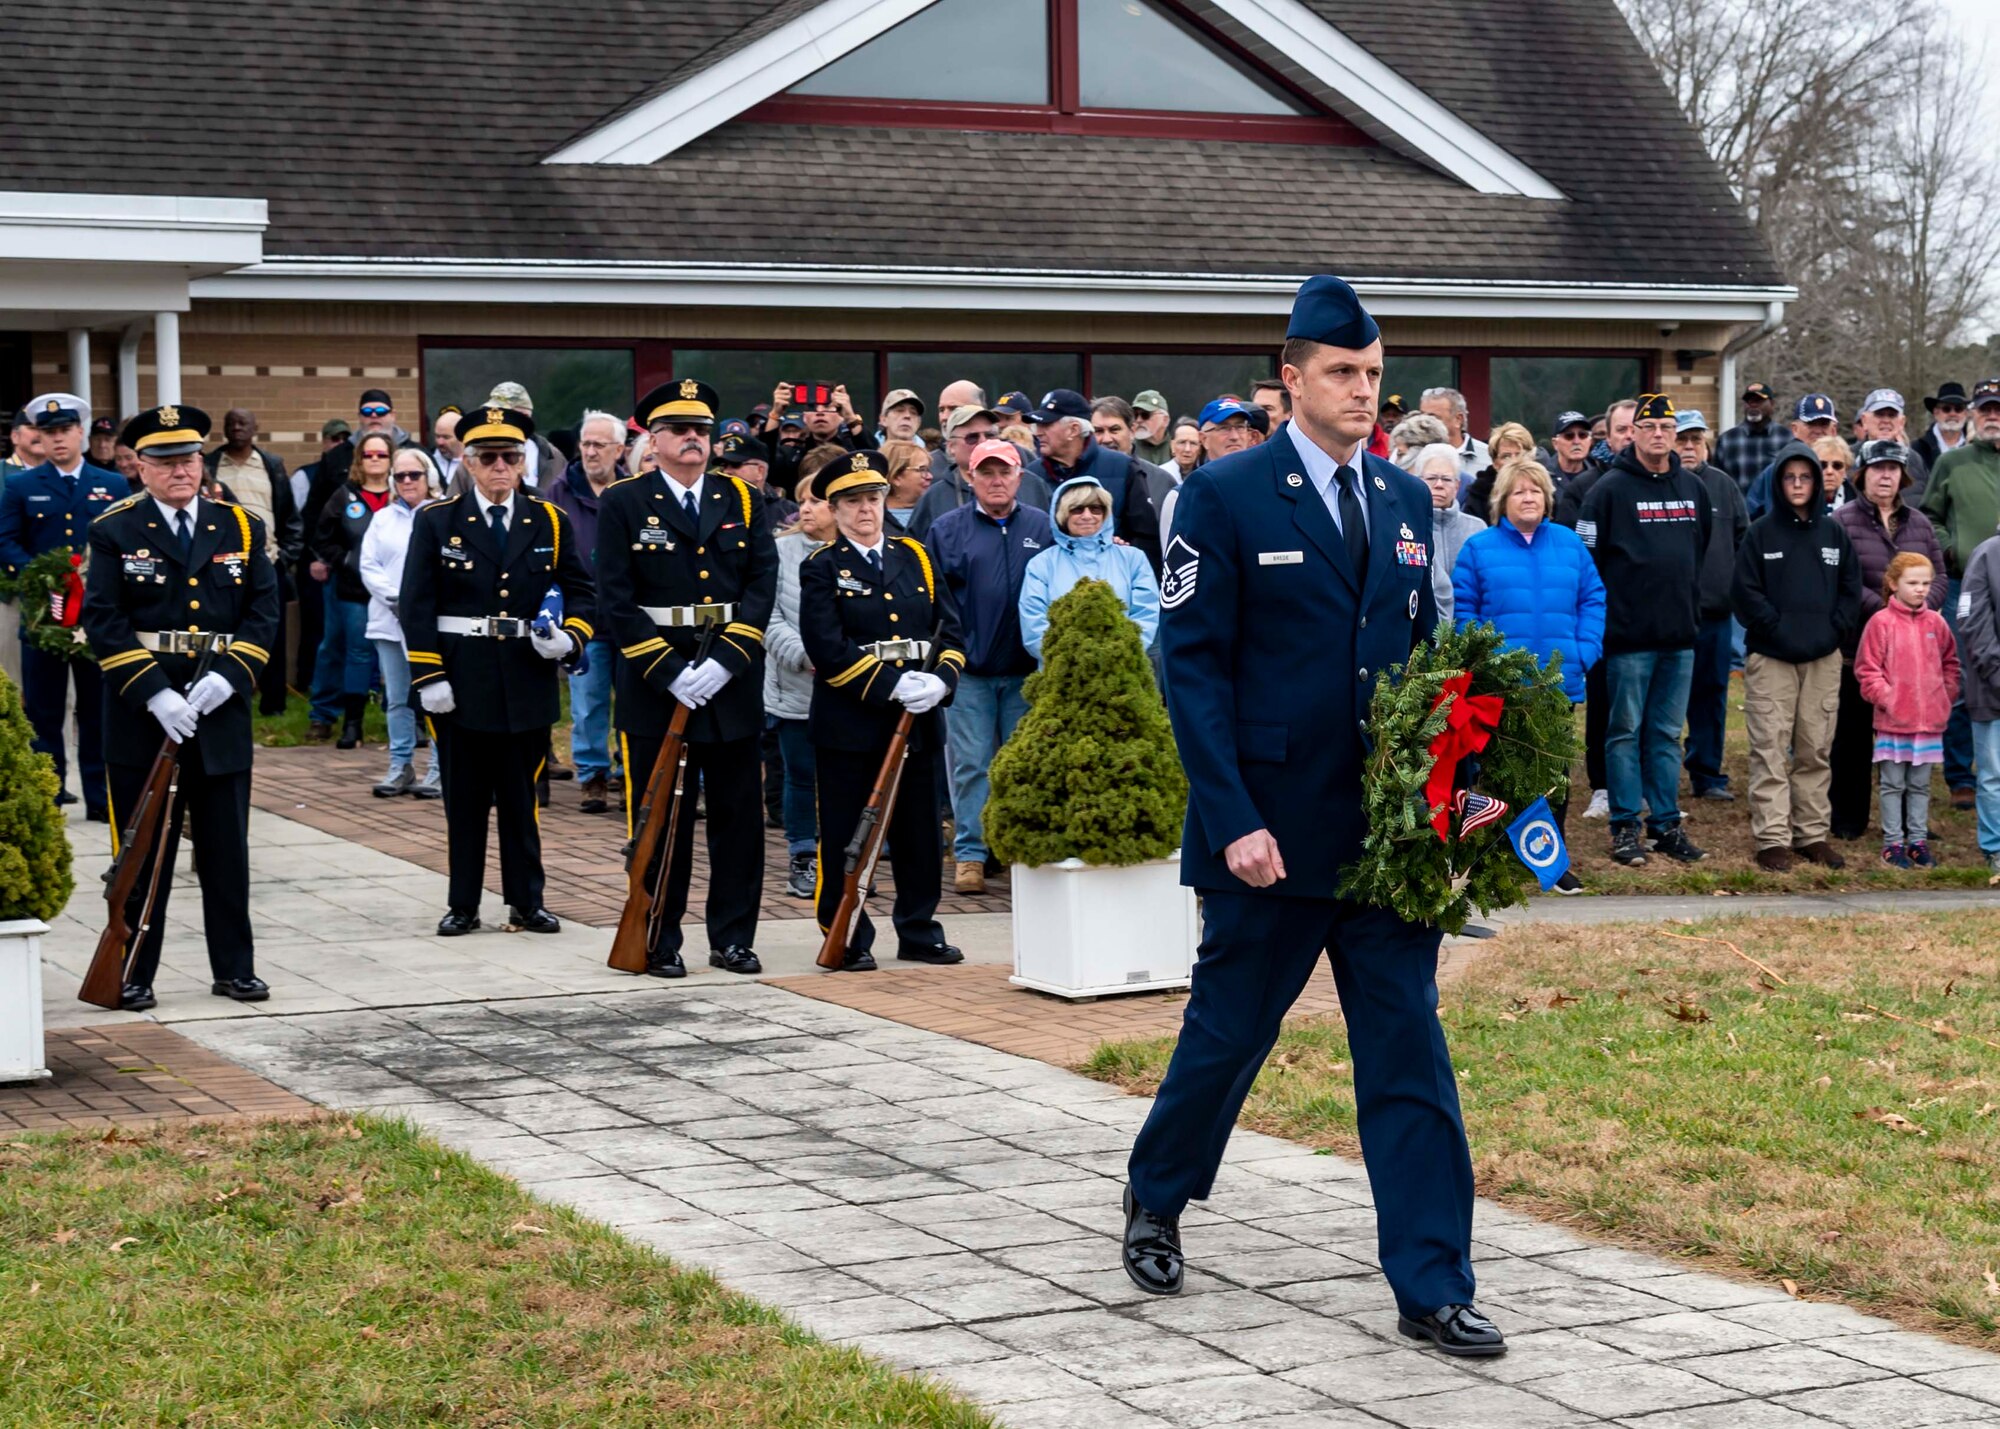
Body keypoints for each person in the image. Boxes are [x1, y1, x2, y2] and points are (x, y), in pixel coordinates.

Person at [1125, 275, 1503, 1358]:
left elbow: (1425, 666)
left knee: (1406, 1056)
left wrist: (1456, 781)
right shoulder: (1224, 495)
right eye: (1342, 372)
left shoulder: (1397, 500)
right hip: (1267, 839)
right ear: (1289, 379)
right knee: (1227, 1038)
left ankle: (1431, 1282)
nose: (1361, 392)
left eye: (1374, 374)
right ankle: (1156, 1195)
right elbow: (1190, 668)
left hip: (1384, 845)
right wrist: (1232, 816)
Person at [81, 403, 281, 1010]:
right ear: (138, 467)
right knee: (145, 853)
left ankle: (235, 968)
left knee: (226, 848)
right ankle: (135, 972)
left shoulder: (241, 528)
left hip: (219, 707)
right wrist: (156, 693)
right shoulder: (114, 529)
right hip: (146, 715)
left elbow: (264, 611)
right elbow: (104, 622)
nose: (180, 472)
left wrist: (231, 676)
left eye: (189, 459)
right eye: (165, 462)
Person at [597, 379, 777, 978]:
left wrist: (727, 660)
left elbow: (759, 586)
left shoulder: (744, 500)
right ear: (656, 438)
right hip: (657, 685)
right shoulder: (625, 502)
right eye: (680, 430)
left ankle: (732, 938)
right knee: (661, 822)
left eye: (701, 429)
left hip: (730, 681)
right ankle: (656, 936)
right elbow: (616, 600)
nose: (694, 439)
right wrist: (669, 671)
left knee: (737, 822)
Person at [403, 403, 595, 938]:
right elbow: (416, 604)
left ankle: (526, 901)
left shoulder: (548, 520)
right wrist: (428, 676)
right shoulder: (438, 520)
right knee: (464, 801)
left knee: (521, 799)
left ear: (523, 462)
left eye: (510, 457)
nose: (499, 468)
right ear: (468, 461)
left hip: (524, 676)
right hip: (461, 678)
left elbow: (582, 591)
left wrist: (569, 637)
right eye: (488, 457)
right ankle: (463, 903)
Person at [798, 450, 967, 972]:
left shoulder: (914, 555)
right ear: (834, 509)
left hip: (918, 718)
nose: (866, 510)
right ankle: (845, 931)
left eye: (872, 498)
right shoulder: (822, 567)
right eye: (852, 502)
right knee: (848, 832)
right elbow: (827, 649)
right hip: (854, 720)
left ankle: (919, 929)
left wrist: (939, 681)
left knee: (919, 833)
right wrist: (894, 686)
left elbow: (952, 631)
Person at [1450, 458, 1603, 893]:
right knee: (1500, 774)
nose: (1528, 497)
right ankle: (1498, 862)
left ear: (1547, 498)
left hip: (1558, 683)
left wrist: (1583, 651)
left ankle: (1552, 863)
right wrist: (1484, 664)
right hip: (1502, 688)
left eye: (1535, 490)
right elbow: (1465, 612)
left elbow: (1593, 600)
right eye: (1519, 491)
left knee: (1554, 774)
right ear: (1502, 500)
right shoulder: (1480, 549)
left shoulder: (1570, 545)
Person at [1578, 394, 1712, 866]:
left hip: (1678, 638)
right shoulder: (1607, 491)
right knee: (1623, 733)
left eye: (1667, 427)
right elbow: (1587, 562)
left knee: (1665, 734)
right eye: (1649, 426)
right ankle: (1624, 827)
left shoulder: (1693, 489)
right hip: (1628, 640)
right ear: (1632, 432)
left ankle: (1666, 824)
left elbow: (1700, 552)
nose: (1659, 434)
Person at [1730, 441, 1862, 871]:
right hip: (1772, 659)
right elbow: (1745, 593)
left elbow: (1849, 588)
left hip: (1823, 659)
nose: (1799, 484)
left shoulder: (1834, 533)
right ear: (1778, 481)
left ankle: (1811, 834)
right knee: (1769, 748)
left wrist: (1833, 628)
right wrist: (1775, 626)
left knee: (1815, 749)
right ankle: (1772, 839)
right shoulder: (1761, 533)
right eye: (1791, 477)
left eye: (1807, 477)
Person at [927, 439, 1053, 894]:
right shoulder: (946, 529)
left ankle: (1016, 850)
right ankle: (971, 855)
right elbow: (933, 597)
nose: (996, 480)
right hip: (970, 672)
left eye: (1005, 472)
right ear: (970, 477)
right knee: (971, 765)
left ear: (1020, 477)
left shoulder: (1042, 526)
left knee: (1021, 765)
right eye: (986, 473)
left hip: (1025, 671)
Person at [0, 393, 128, 818]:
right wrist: (39, 574)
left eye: (65, 431)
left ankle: (98, 798)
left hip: (95, 616)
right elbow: (6, 541)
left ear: (81, 433)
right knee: (44, 710)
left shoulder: (111, 485)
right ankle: (49, 794)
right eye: (48, 432)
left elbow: (125, 541)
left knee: (95, 709)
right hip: (43, 617)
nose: (57, 440)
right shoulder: (21, 486)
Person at [1829, 440, 1948, 839]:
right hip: (1858, 646)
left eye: (1893, 469)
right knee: (1853, 738)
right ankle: (1849, 818)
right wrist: (1885, 609)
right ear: (1862, 474)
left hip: (1914, 654)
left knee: (1908, 740)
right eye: (1878, 468)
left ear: (1903, 476)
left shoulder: (1919, 523)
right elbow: (1840, 580)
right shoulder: (1843, 521)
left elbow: (1941, 576)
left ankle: (1910, 823)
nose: (1886, 476)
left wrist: (1920, 608)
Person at [1920, 377, 2000, 813]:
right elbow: (1929, 515)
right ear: (1973, 413)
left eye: (1998, 409)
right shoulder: (1953, 463)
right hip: (1964, 585)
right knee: (1964, 678)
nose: (1993, 416)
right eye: (1986, 408)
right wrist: (1949, 548)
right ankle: (1959, 775)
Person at [543, 410, 627, 813]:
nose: (591, 452)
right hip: (584, 621)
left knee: (631, 702)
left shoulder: (636, 491)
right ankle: (592, 776)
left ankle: (629, 772)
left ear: (620, 450)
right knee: (588, 703)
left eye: (599, 445)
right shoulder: (557, 494)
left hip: (630, 619)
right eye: (586, 444)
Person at [1855, 553, 1959, 868]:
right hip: (1893, 723)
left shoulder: (1937, 623)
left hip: (1928, 723)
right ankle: (1892, 844)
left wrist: (1943, 696)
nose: (1920, 590)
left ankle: (1917, 842)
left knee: (1920, 785)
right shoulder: (1881, 622)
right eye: (1912, 583)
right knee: (1892, 785)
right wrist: (1889, 698)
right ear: (1893, 583)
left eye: (1926, 583)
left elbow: (1951, 664)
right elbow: (1867, 669)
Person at [204, 408, 303, 716]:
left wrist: (285, 556)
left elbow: (289, 515)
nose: (236, 428)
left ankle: (274, 705)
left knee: (270, 631)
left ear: (256, 428)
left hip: (267, 559)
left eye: (243, 423)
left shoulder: (271, 465)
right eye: (230, 422)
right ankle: (227, 695)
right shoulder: (210, 464)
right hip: (222, 560)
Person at [358, 447, 443, 799]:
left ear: (429, 478)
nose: (407, 481)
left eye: (414, 475)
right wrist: (396, 598)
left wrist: (416, 603)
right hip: (389, 619)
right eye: (400, 476)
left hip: (430, 622)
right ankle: (400, 765)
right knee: (396, 699)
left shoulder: (441, 515)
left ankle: (438, 769)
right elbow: (368, 565)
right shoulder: (382, 519)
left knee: (434, 695)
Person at [1674, 411, 1750, 803]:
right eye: (1682, 440)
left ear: (1707, 445)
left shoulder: (1724, 486)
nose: (1689, 447)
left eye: (1696, 440)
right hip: (1668, 615)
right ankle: (1662, 775)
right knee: (1667, 697)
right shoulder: (1663, 485)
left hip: (1716, 614)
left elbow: (1744, 541)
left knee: (1712, 694)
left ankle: (1707, 773)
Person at [766, 471, 835, 899]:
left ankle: (841, 855)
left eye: (816, 501)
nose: (804, 509)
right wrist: (806, 654)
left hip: (847, 688)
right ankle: (803, 854)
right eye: (801, 500)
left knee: (842, 776)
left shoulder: (852, 552)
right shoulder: (780, 552)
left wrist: (840, 657)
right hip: (793, 686)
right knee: (801, 775)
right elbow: (766, 617)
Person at [310, 428, 395, 747]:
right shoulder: (345, 494)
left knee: (399, 655)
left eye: (381, 454)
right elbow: (322, 537)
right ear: (359, 459)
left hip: (398, 591)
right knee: (357, 652)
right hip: (355, 590)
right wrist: (345, 560)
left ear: (391, 459)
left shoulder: (401, 492)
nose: (374, 460)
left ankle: (404, 720)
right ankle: (352, 725)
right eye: (368, 454)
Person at [1020, 475, 1161, 660]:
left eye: (1095, 508)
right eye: (1077, 509)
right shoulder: (1041, 565)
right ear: (1063, 514)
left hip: (1121, 672)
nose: (1087, 516)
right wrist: (1075, 662)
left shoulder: (1133, 559)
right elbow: (1034, 623)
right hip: (1062, 678)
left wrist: (1116, 656)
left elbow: (1146, 614)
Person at [1025, 389, 1162, 573]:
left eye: (1046, 425)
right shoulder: (1031, 474)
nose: (1038, 432)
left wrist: (1123, 556)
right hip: (1048, 588)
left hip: (1111, 591)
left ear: (1073, 429)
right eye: (1036, 426)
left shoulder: (1122, 467)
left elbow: (1146, 539)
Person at [909, 404, 1052, 538]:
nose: (983, 442)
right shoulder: (934, 498)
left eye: (990, 435)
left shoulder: (1033, 485)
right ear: (951, 447)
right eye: (972, 437)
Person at [1956, 524, 2000, 875]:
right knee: (1993, 777)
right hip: (1991, 690)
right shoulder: (1986, 554)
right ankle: (1996, 849)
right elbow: (1972, 624)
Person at [1411, 443, 1484, 626]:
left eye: (1446, 479)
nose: (1439, 485)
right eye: (1431, 478)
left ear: (1457, 486)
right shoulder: (1406, 527)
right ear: (1416, 481)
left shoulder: (1477, 528)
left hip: (1469, 632)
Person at [1745, 394, 1841, 519]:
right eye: (1811, 423)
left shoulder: (1843, 469)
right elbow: (1750, 517)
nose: (1818, 430)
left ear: (1833, 430)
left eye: (1824, 424)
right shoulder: (1775, 472)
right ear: (1795, 429)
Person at [1092, 395, 1178, 518]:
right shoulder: (1078, 477)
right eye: (1099, 431)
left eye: (1114, 430)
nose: (1106, 439)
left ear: (1132, 431)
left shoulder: (1162, 481)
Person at [1852, 389, 1930, 500]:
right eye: (1879, 414)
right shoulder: (1847, 459)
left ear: (1902, 422)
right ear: (1864, 420)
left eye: (1892, 415)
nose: (1886, 420)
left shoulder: (1914, 460)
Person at [1715, 382, 1786, 491]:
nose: (1753, 404)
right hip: (1739, 507)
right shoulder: (1727, 441)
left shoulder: (1786, 438)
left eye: (1759, 400)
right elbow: (1718, 482)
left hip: (1775, 507)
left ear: (1772, 404)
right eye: (1749, 400)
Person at [1458, 421, 1533, 519]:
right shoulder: (1479, 495)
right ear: (1495, 463)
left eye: (1519, 454)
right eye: (1506, 456)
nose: (1514, 461)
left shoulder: (1546, 488)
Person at [1418, 386, 1487, 483]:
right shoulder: (1412, 454)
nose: (1423, 423)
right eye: (1421, 417)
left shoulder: (1488, 457)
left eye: (1432, 418)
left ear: (1458, 419)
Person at [1914, 382, 1969, 470]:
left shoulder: (1978, 447)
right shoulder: (1918, 449)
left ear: (1966, 413)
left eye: (1958, 409)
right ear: (1936, 413)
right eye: (1946, 409)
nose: (1952, 414)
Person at [880, 438, 930, 531]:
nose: (929, 476)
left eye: (928, 469)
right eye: (922, 470)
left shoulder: (936, 512)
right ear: (896, 477)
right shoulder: (874, 520)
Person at [1196, 398, 1259, 464]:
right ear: (1204, 439)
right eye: (1224, 428)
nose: (1235, 437)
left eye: (1240, 427)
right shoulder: (1198, 474)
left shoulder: (1264, 472)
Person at [1131, 389, 1173, 466]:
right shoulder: (1128, 447)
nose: (1139, 420)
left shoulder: (1178, 448)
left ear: (1165, 420)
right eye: (1135, 415)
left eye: (1145, 415)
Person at [430, 405, 464, 490]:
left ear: (461, 436)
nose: (440, 442)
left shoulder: (474, 462)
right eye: (437, 436)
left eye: (446, 437)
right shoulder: (428, 461)